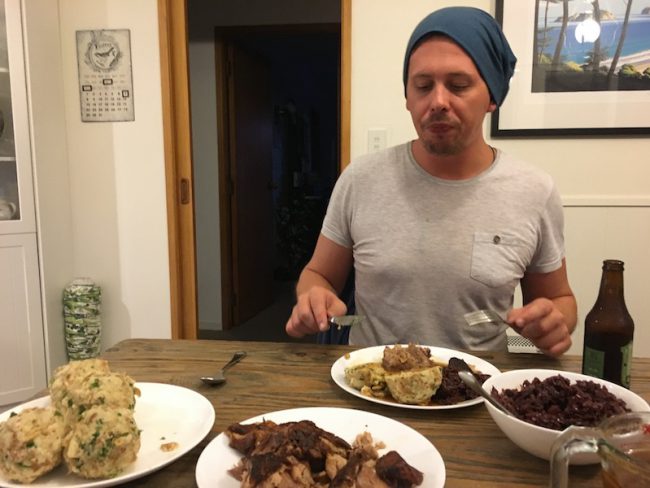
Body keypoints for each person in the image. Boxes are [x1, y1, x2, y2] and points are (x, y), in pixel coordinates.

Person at [285, 6, 577, 357]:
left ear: (493, 96)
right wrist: (313, 296)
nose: (438, 101)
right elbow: (318, 274)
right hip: (369, 379)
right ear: (408, 98)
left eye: (458, 85)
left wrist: (554, 322)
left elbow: (560, 299)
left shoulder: (533, 191)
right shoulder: (360, 180)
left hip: (477, 382)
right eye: (423, 86)